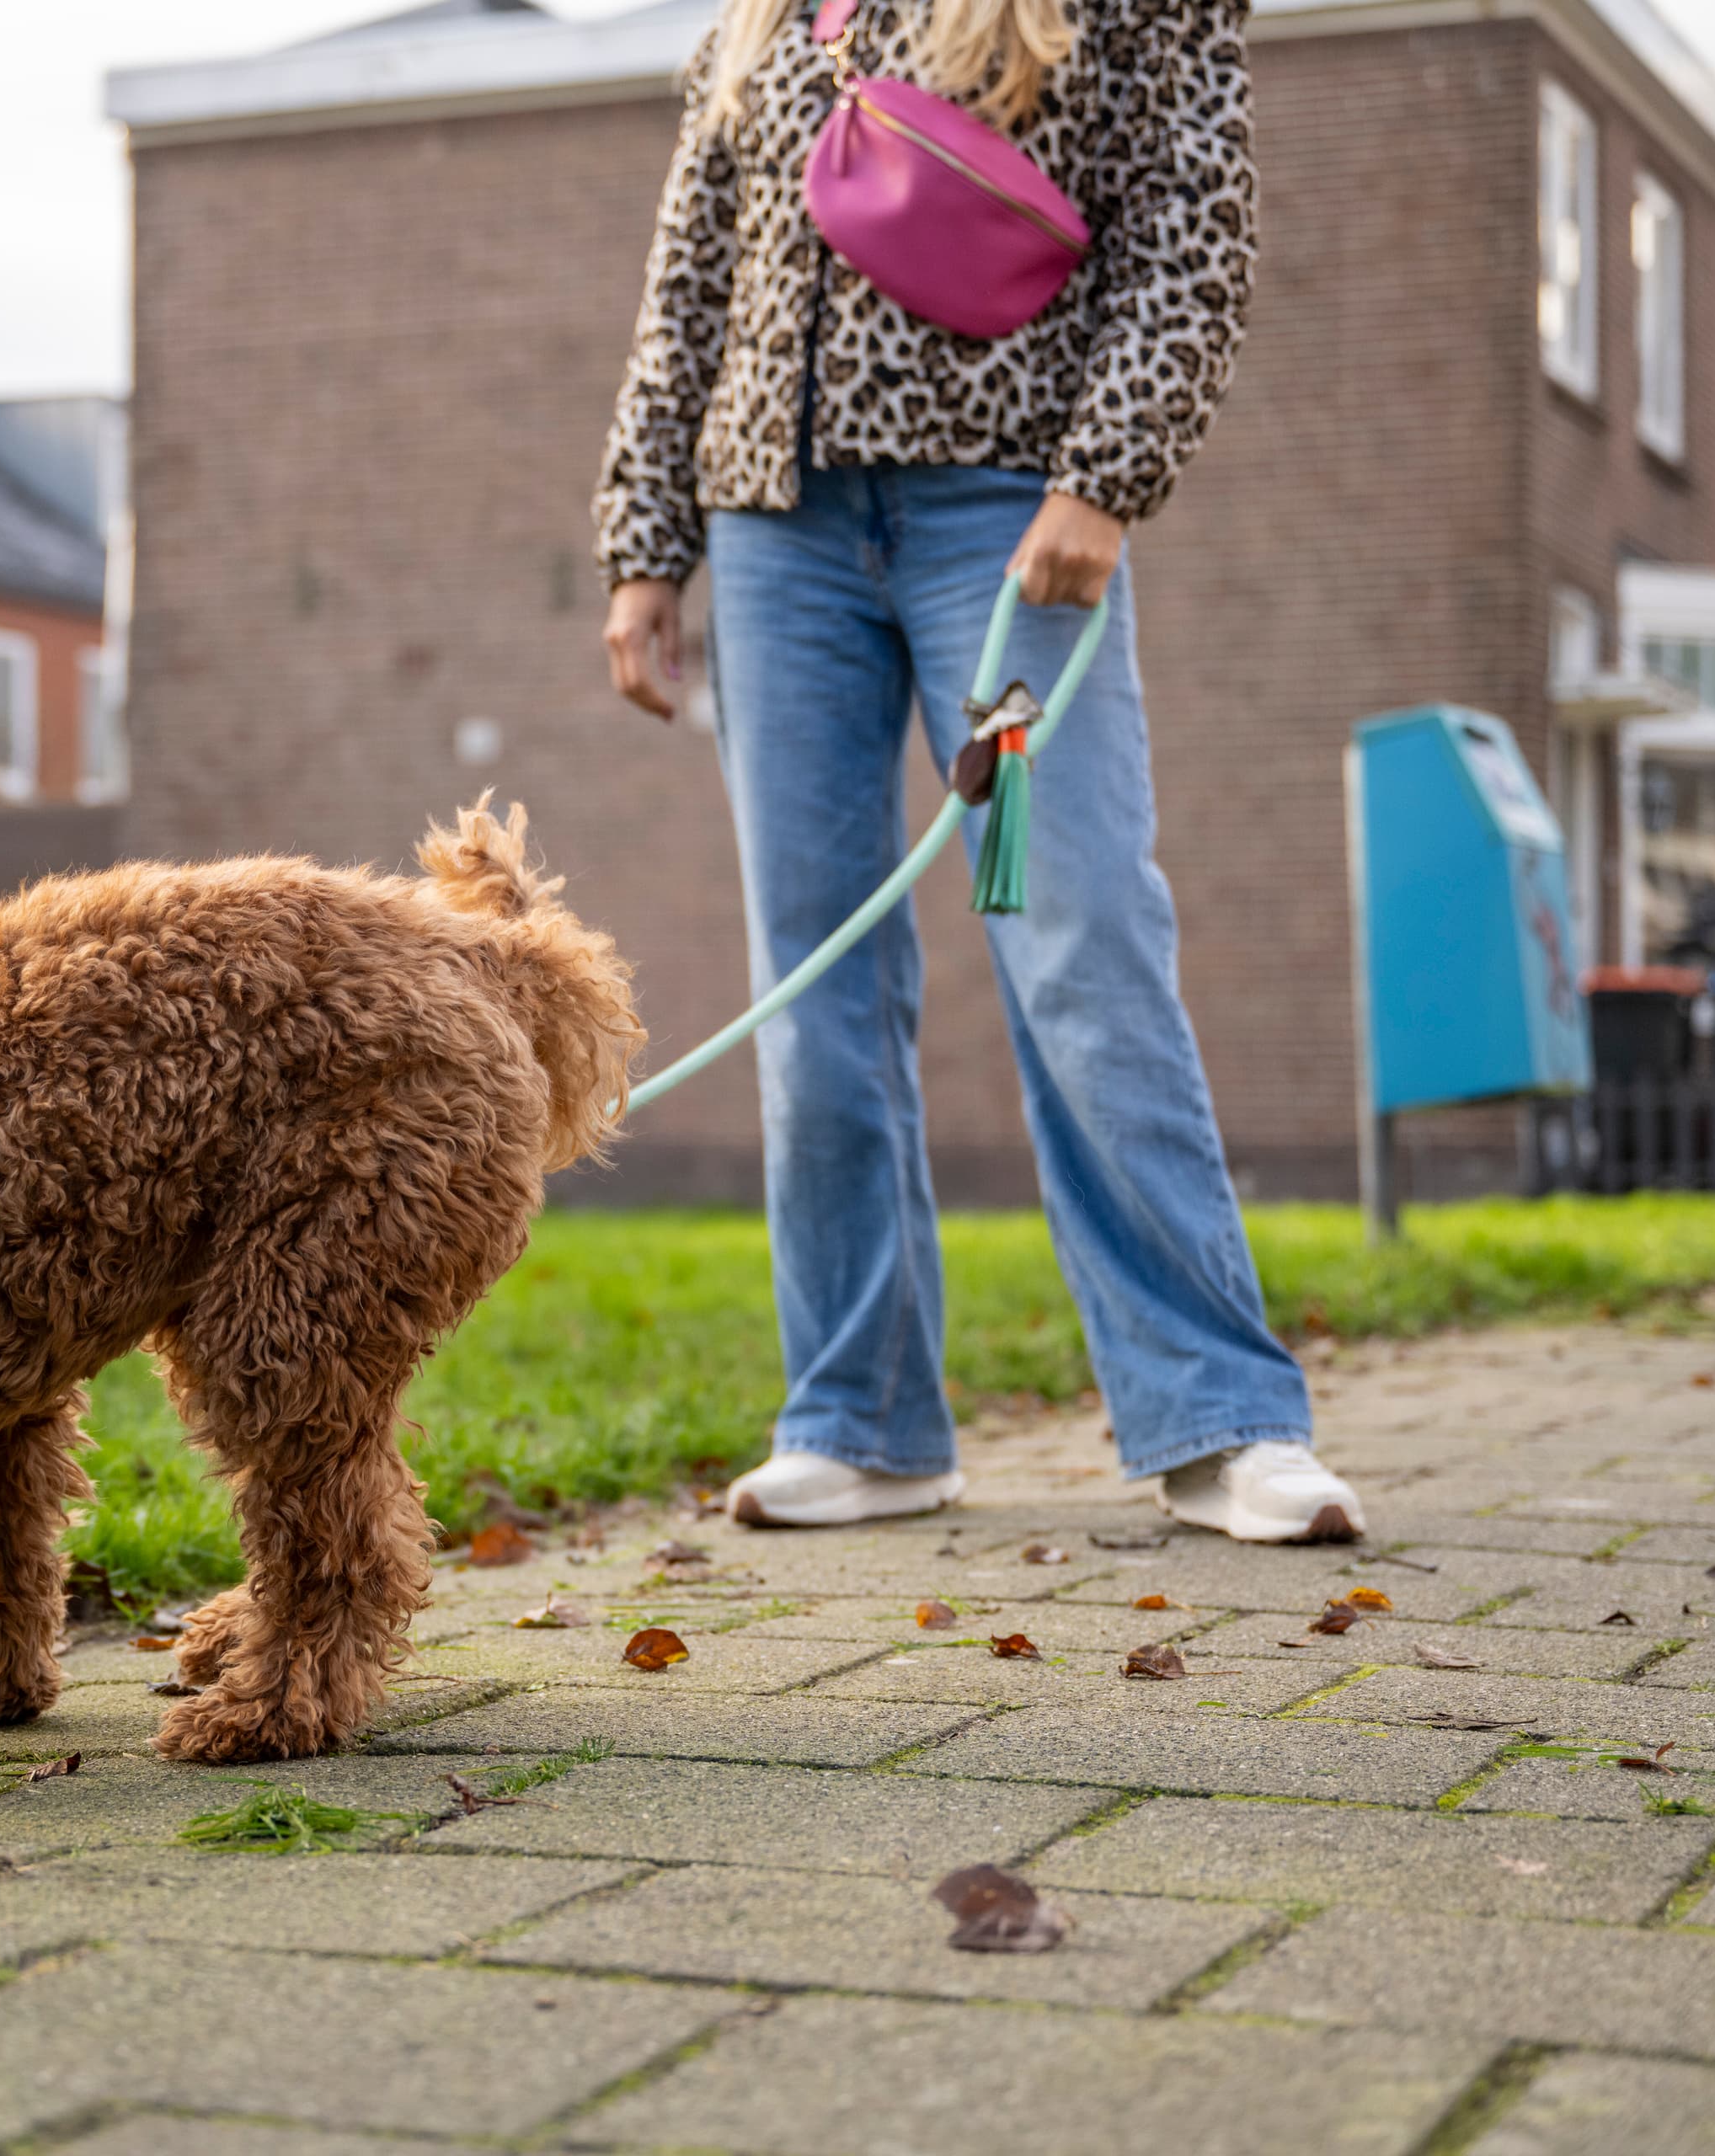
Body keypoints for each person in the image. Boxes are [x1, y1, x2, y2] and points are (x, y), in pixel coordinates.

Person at [596, 0, 1363, 1544]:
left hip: (1003, 536)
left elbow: (1191, 229)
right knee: (817, 979)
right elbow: (690, 274)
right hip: (775, 540)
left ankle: (1221, 1413)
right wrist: (644, 546)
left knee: (1069, 930)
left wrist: (1106, 477)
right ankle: (863, 1421)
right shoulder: (760, 16)